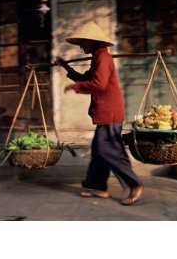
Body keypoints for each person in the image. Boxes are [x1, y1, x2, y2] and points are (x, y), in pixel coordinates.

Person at [56, 21, 144, 205]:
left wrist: (75, 87)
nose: (81, 46)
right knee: (99, 150)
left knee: (108, 149)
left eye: (83, 42)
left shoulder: (103, 57)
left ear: (92, 41)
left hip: (110, 111)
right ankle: (96, 186)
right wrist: (66, 67)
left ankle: (134, 183)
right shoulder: (98, 56)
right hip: (106, 111)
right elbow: (87, 78)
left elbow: (99, 84)